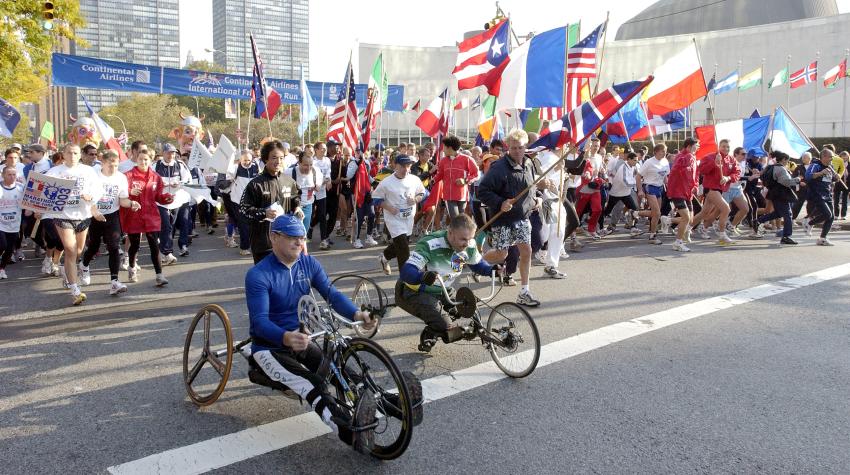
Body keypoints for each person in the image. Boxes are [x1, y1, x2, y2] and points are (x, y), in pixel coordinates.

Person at [245, 214, 388, 454]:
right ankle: (351, 433)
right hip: (270, 347)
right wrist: (286, 337)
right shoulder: (258, 274)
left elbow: (332, 295)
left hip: (301, 339)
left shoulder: (309, 264)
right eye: (292, 238)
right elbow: (259, 323)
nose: (299, 243)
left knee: (341, 372)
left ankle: (389, 405)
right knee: (314, 385)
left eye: (301, 238)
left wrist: (357, 315)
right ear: (274, 237)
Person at [396, 214, 497, 351]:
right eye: (463, 239)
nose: (467, 244)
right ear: (450, 232)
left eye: (470, 239)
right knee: (446, 327)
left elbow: (477, 264)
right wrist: (422, 276)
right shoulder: (430, 244)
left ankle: (441, 325)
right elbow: (406, 271)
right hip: (415, 291)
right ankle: (431, 333)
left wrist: (493, 269)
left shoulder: (469, 244)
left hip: (444, 290)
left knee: (470, 308)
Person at [477, 128, 541, 307]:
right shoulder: (499, 168)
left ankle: (524, 291)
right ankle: (475, 260)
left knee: (526, 251)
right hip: (503, 219)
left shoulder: (528, 163)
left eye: (520, 147)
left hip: (521, 217)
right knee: (501, 254)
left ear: (525, 146)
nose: (517, 151)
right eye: (513, 148)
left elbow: (530, 186)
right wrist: (500, 202)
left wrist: (536, 199)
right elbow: (482, 191)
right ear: (508, 147)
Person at [44, 143, 103, 305]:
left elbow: (98, 189)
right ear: (63, 154)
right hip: (62, 215)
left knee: (78, 251)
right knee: (69, 249)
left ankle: (66, 271)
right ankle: (75, 290)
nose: (72, 156)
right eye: (69, 153)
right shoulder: (55, 172)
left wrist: (91, 196)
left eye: (76, 153)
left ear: (80, 155)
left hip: (83, 216)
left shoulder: (88, 171)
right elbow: (43, 190)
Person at [80, 150, 141, 294]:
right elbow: (87, 197)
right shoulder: (94, 175)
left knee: (114, 246)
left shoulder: (120, 178)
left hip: (112, 215)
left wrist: (132, 203)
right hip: (94, 215)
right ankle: (84, 265)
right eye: (110, 165)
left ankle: (114, 282)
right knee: (94, 246)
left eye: (115, 165)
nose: (113, 168)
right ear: (103, 163)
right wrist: (94, 211)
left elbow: (123, 200)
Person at [240, 140, 302, 263]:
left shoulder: (289, 181)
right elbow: (243, 211)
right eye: (274, 158)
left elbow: (296, 197)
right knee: (266, 280)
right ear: (265, 159)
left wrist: (297, 208)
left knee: (284, 278)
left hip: (286, 242)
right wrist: (264, 213)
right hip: (263, 244)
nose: (278, 162)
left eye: (281, 158)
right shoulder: (255, 184)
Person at [121, 150, 173, 286]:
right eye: (140, 159)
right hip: (134, 214)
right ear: (136, 159)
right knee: (135, 245)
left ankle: (159, 275)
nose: (143, 162)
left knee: (154, 245)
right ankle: (132, 267)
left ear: (150, 161)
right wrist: (129, 192)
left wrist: (166, 198)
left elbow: (158, 197)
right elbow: (120, 194)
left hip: (151, 215)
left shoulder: (155, 177)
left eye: (146, 159)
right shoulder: (127, 176)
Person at [372, 154, 426, 275]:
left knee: (401, 245)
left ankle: (384, 258)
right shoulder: (386, 182)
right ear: (395, 165)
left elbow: (423, 193)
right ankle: (405, 279)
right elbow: (375, 198)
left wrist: (416, 199)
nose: (405, 169)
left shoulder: (414, 179)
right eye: (402, 166)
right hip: (393, 219)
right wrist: (389, 207)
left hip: (408, 218)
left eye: (408, 166)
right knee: (404, 248)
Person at [155, 143, 192, 262]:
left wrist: (179, 183)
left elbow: (187, 180)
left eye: (173, 153)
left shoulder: (180, 165)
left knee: (171, 226)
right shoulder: (155, 165)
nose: (171, 155)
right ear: (163, 153)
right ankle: (167, 252)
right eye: (168, 152)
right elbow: (150, 181)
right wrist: (161, 185)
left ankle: (164, 250)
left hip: (176, 200)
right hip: (160, 201)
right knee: (165, 225)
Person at [754, 151, 800, 244]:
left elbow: (763, 177)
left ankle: (758, 221)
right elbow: (786, 182)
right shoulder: (781, 169)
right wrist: (797, 180)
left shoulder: (770, 167)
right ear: (783, 159)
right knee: (788, 215)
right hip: (781, 194)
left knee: (778, 213)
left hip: (774, 193)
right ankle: (786, 236)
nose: (787, 162)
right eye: (787, 160)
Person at [431, 136, 478, 218]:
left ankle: (460, 230)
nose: (443, 150)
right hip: (448, 195)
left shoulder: (467, 159)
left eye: (444, 147)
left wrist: (465, 180)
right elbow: (440, 174)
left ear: (450, 148)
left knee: (461, 218)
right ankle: (455, 230)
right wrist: (433, 180)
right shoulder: (443, 161)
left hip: (462, 195)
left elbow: (476, 174)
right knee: (455, 218)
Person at [666, 138, 700, 252]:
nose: (698, 147)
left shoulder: (693, 157)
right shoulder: (681, 156)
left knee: (690, 220)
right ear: (689, 146)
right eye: (696, 145)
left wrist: (695, 185)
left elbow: (696, 175)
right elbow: (676, 170)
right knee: (685, 218)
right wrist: (687, 162)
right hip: (677, 191)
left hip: (688, 192)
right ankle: (678, 242)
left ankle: (668, 220)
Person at [227, 149, 260, 255]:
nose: (247, 162)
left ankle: (255, 245)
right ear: (240, 159)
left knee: (254, 224)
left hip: (253, 201)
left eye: (249, 160)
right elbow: (228, 177)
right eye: (245, 160)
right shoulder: (236, 168)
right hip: (238, 201)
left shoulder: (256, 167)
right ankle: (244, 248)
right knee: (244, 225)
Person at [636, 143, 670, 244]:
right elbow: (638, 176)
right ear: (655, 152)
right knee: (657, 213)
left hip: (660, 188)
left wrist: (669, 186)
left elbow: (665, 176)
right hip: (649, 187)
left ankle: (637, 213)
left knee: (656, 214)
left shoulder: (665, 161)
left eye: (665, 151)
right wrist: (640, 190)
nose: (664, 153)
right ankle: (652, 236)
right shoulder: (649, 162)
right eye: (662, 151)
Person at [805, 148, 837, 246]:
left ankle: (823, 238)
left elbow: (830, 180)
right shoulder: (815, 165)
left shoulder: (830, 166)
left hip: (827, 193)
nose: (832, 159)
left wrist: (836, 177)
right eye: (830, 157)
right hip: (817, 193)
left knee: (831, 217)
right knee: (827, 214)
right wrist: (821, 172)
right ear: (823, 157)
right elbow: (808, 176)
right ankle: (809, 222)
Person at [0, 166, 24, 279]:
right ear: (3, 175)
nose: (12, 177)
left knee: (9, 248)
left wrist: (30, 209)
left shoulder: (21, 188)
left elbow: (30, 201)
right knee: (2, 244)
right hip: (0, 223)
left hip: (14, 223)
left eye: (14, 174)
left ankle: (2, 269)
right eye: (9, 174)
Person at [290, 148, 321, 233]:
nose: (309, 167)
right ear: (299, 163)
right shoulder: (290, 172)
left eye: (311, 165)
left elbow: (319, 182)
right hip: (293, 206)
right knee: (294, 233)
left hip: (308, 206)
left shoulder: (315, 171)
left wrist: (318, 185)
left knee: (304, 232)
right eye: (305, 165)